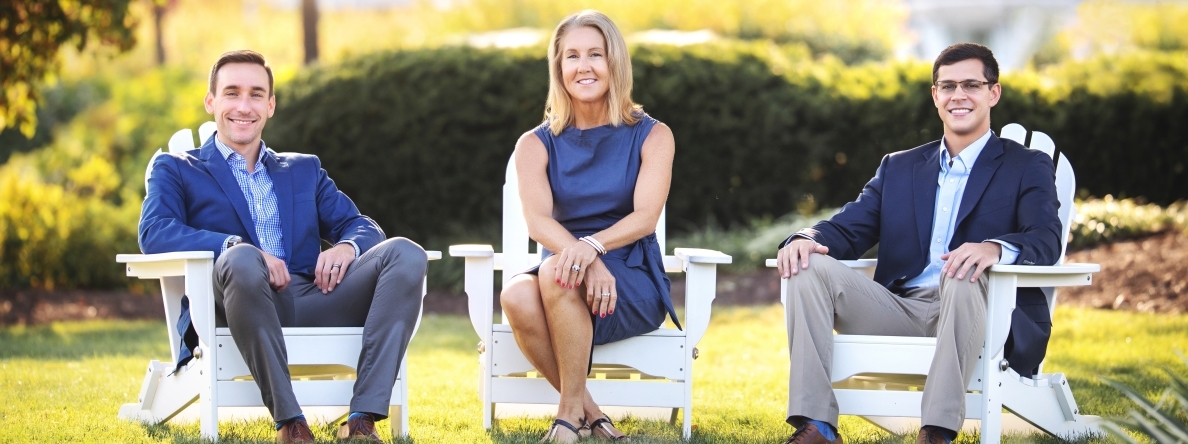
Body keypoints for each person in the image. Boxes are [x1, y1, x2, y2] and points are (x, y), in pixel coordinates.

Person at [774, 43, 1062, 444]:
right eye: (948, 86)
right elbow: (849, 228)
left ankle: (936, 433)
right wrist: (806, 239)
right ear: (935, 95)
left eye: (971, 85)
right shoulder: (900, 167)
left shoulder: (1026, 165)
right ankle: (818, 427)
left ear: (993, 93)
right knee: (806, 267)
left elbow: (1045, 239)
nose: (958, 95)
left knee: (961, 270)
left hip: (984, 312)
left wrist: (993, 248)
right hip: (900, 308)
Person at [138, 49, 428, 444]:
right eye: (232, 93)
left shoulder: (304, 169)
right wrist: (237, 246)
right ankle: (291, 424)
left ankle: (361, 421)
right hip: (234, 302)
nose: (244, 106)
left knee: (406, 252)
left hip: (314, 296)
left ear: (270, 105)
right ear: (211, 102)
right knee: (242, 257)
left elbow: (361, 225)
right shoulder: (177, 168)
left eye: (256, 94)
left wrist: (347, 247)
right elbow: (154, 231)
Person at [497, 10, 678, 443]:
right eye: (572, 56)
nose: (584, 66)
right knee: (516, 294)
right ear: (558, 68)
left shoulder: (654, 135)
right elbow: (538, 221)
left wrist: (592, 248)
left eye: (596, 54)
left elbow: (645, 217)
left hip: (628, 280)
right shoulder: (534, 144)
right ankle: (591, 416)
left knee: (557, 273)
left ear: (615, 62)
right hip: (563, 272)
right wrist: (585, 258)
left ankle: (567, 419)